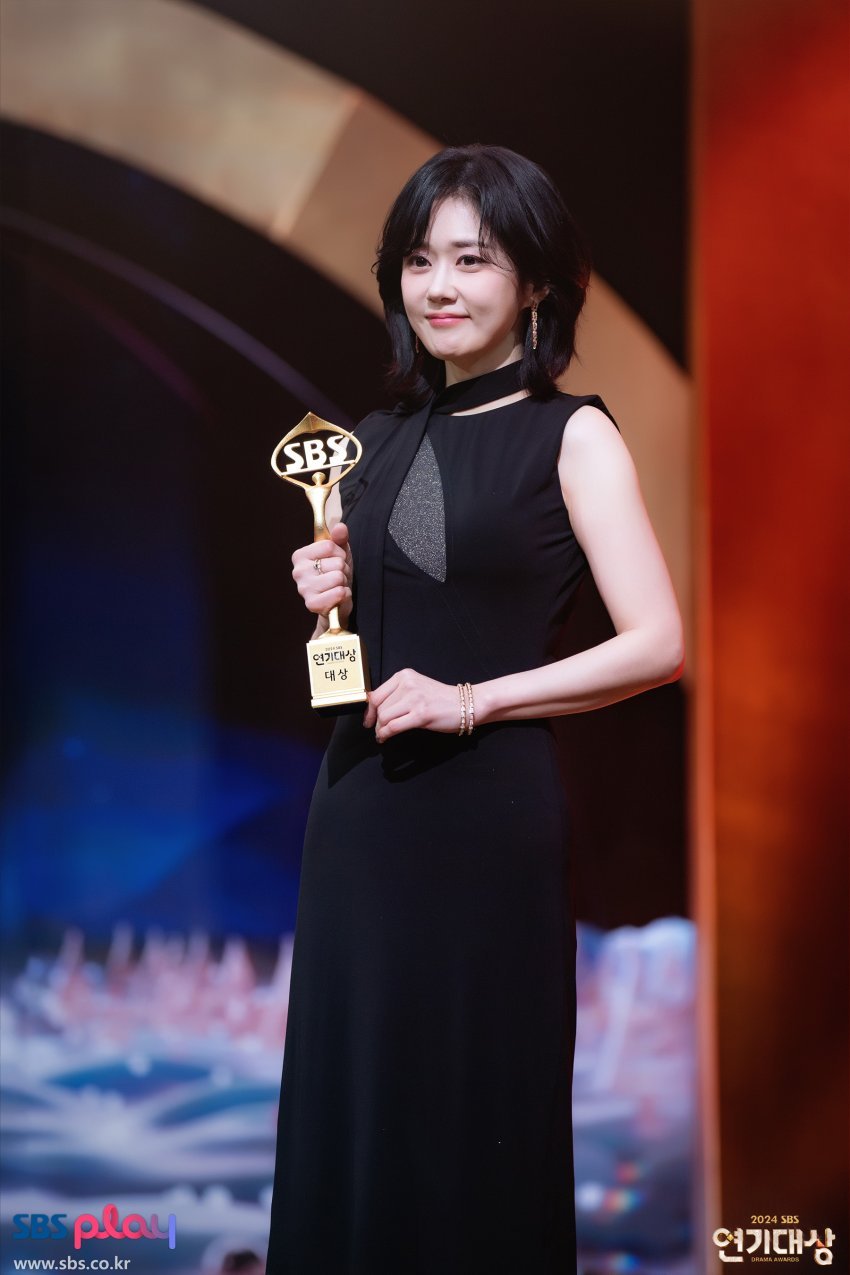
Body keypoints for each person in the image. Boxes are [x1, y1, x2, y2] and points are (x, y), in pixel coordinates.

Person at [264, 143, 684, 1275]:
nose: (438, 286)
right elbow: (372, 639)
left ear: (534, 282)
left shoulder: (572, 433)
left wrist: (471, 701)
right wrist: (323, 594)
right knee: (353, 1118)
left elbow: (657, 644)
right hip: (358, 818)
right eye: (418, 261)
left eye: (471, 260)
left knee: (467, 1126)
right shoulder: (367, 441)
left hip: (483, 821)